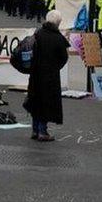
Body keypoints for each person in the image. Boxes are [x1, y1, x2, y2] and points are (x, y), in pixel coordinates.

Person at [25, 10, 70, 141]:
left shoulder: (38, 33)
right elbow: (63, 57)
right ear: (57, 23)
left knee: (35, 99)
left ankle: (34, 129)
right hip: (50, 75)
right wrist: (55, 67)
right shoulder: (58, 37)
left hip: (35, 73)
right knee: (47, 102)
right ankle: (42, 131)